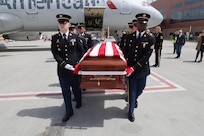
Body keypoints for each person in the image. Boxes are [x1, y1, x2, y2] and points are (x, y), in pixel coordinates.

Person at [51, 14, 85, 122]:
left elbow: (81, 52)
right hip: (62, 70)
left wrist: (78, 64)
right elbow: (55, 53)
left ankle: (79, 101)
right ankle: (69, 111)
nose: (62, 25)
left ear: (69, 24)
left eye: (64, 23)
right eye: (60, 23)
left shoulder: (75, 37)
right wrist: (63, 64)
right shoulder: (55, 38)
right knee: (65, 92)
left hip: (74, 70)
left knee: (76, 89)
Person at [121, 13, 154, 122]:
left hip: (142, 69)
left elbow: (146, 56)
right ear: (137, 24)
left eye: (144, 23)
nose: (142, 25)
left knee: (141, 88)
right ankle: (130, 112)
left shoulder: (150, 39)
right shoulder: (129, 37)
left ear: (146, 25)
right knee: (132, 91)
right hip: (130, 70)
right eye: (140, 23)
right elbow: (124, 52)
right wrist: (124, 65)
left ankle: (134, 100)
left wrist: (134, 68)